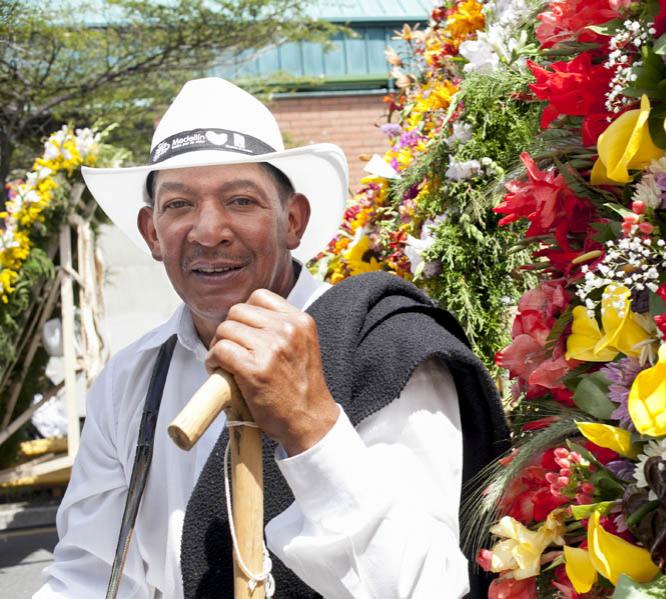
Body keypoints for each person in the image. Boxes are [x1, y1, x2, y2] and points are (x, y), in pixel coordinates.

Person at [34, 77, 508, 598]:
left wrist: (312, 428)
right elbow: (89, 575)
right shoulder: (130, 379)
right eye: (178, 205)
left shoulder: (384, 346)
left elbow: (427, 588)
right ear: (151, 233)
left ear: (293, 221)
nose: (208, 230)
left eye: (240, 200)